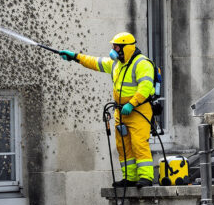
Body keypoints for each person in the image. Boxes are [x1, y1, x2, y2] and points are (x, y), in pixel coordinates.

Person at [59, 32, 155, 187]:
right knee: (123, 146)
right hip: (121, 112)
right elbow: (95, 62)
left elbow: (145, 88)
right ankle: (129, 178)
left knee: (139, 143)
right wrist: (75, 57)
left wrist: (132, 104)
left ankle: (146, 178)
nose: (113, 49)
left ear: (126, 48)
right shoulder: (116, 64)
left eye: (116, 46)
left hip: (138, 111)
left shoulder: (142, 63)